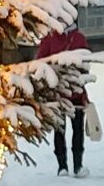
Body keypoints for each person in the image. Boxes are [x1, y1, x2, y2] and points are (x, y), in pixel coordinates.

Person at [35, 25, 91, 176]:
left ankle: (78, 164)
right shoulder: (50, 39)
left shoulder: (78, 37)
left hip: (75, 93)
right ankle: (62, 166)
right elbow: (41, 63)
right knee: (60, 130)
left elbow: (85, 65)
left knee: (77, 129)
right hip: (57, 94)